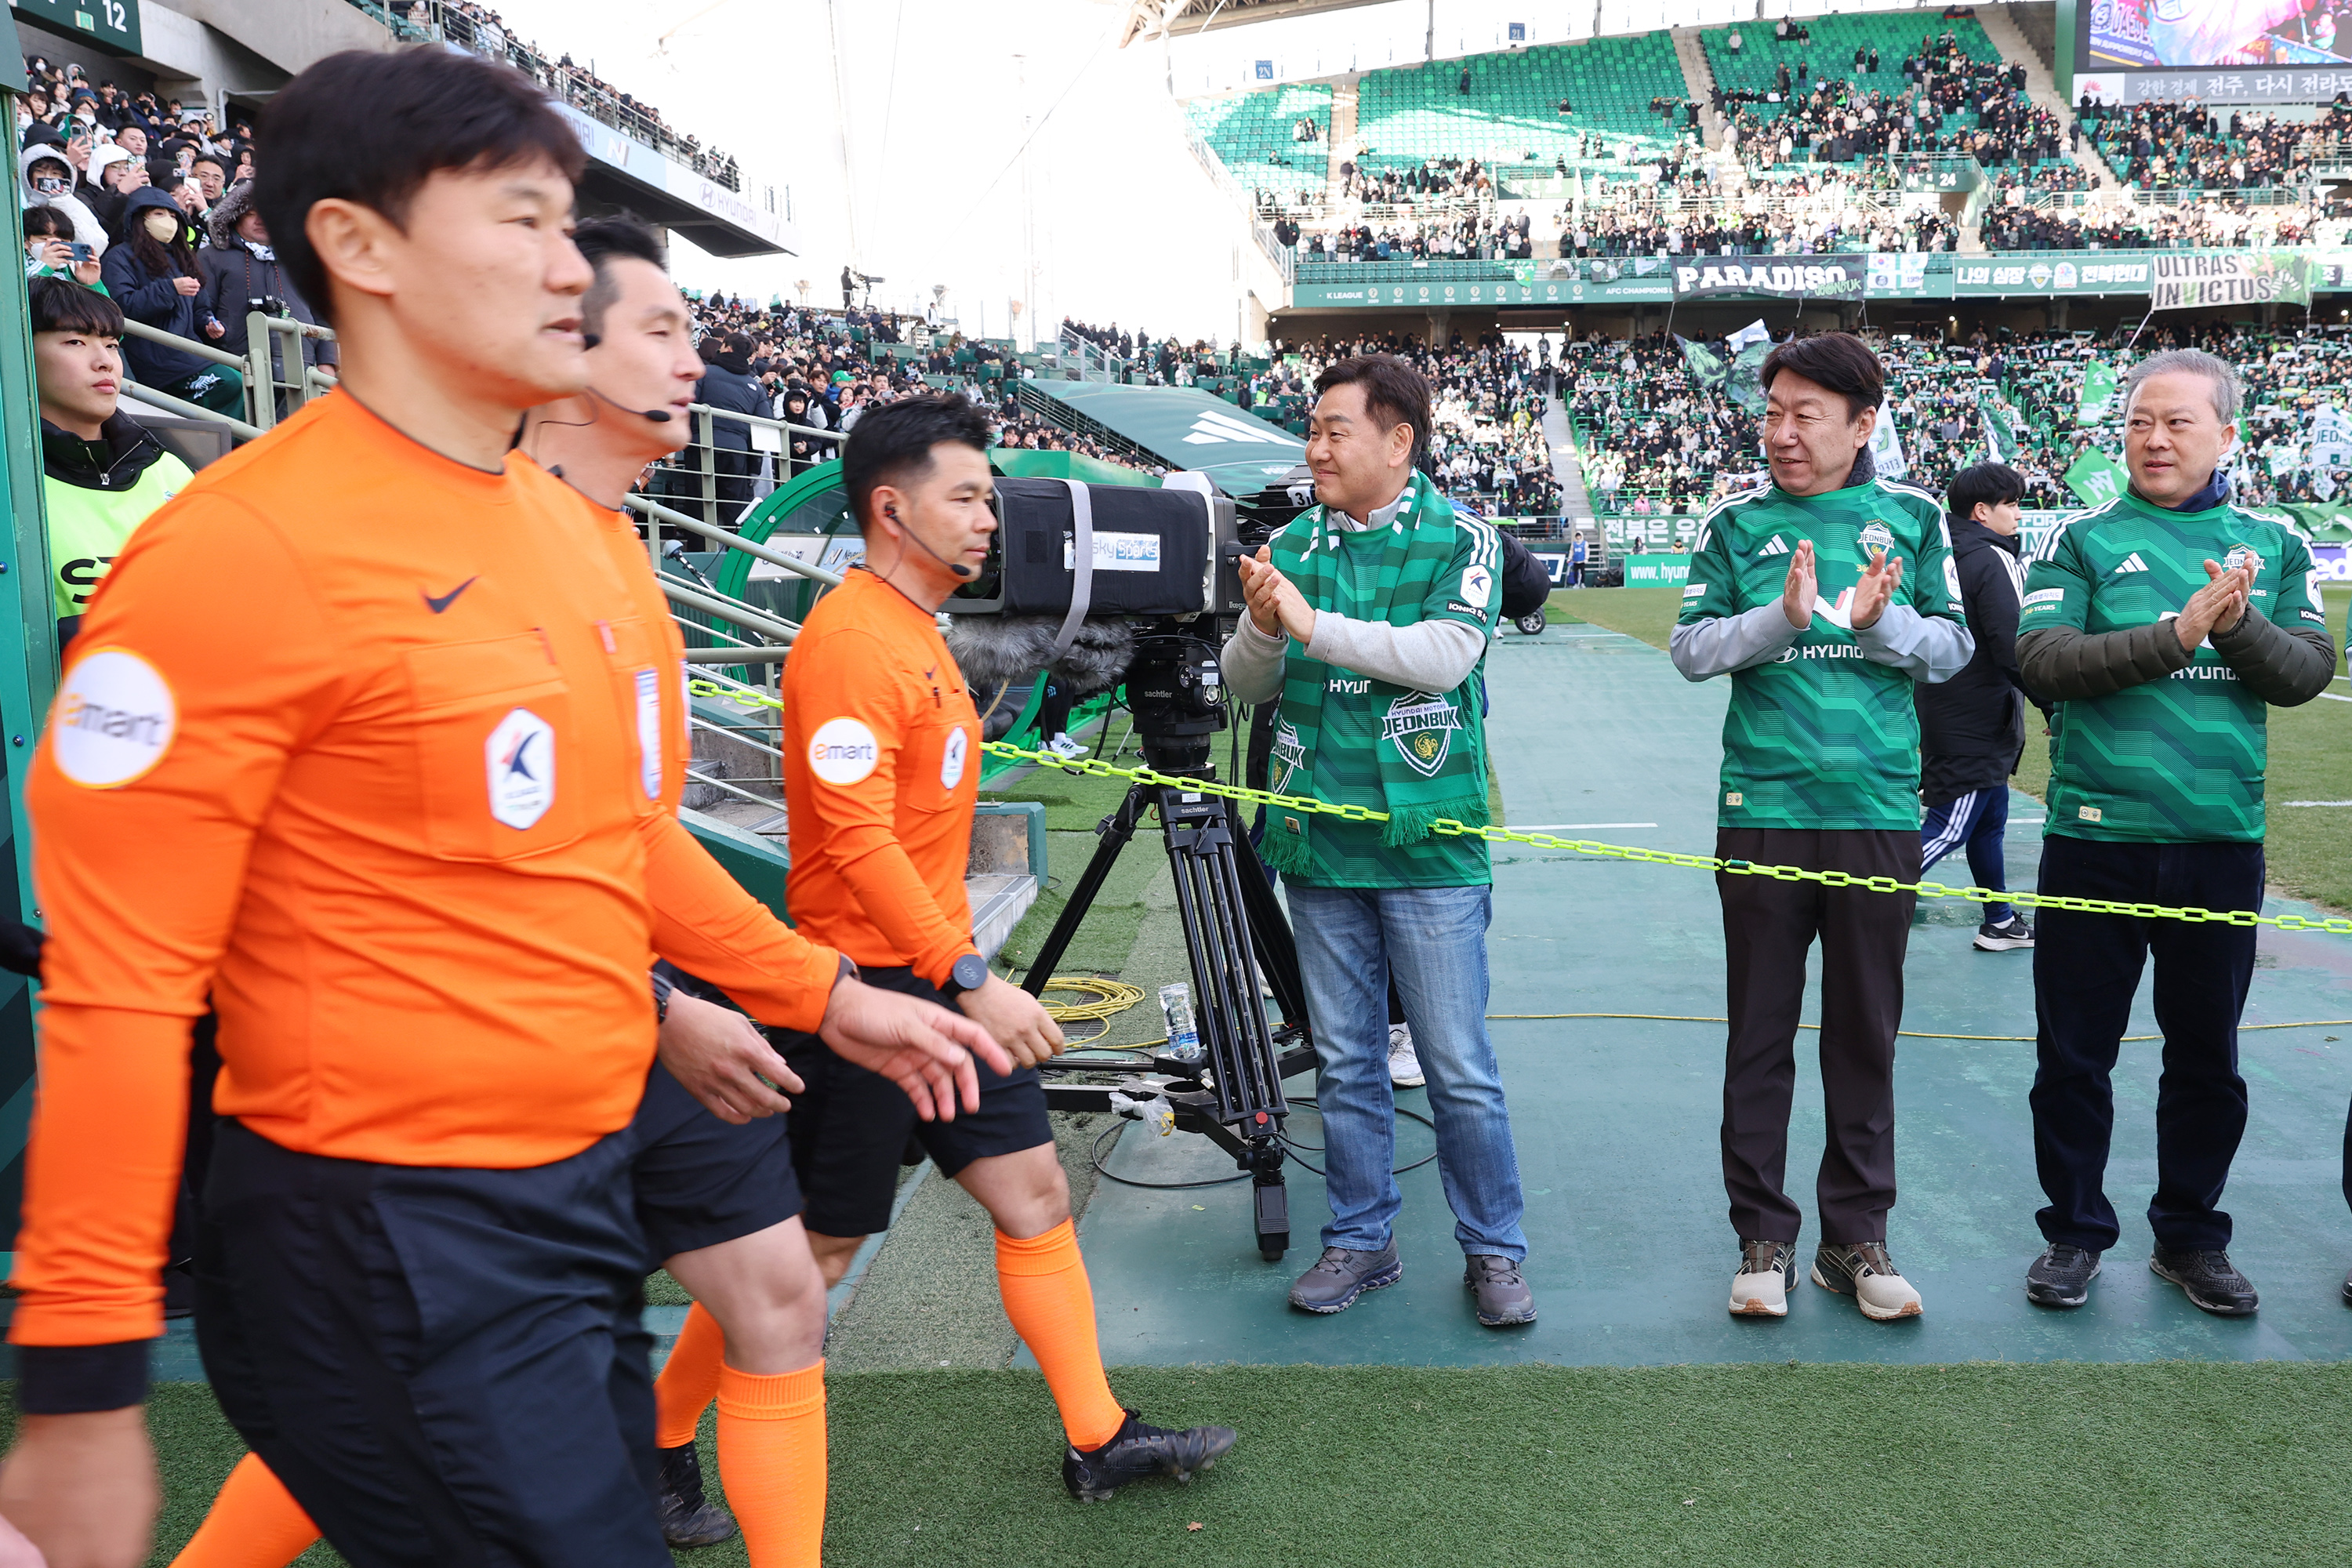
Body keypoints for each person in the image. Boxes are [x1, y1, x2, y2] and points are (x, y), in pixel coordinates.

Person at [0, 49, 1004, 1568]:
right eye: (524, 221)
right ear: (357, 246)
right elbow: (120, 993)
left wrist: (826, 993)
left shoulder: (574, 539)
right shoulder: (232, 558)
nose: (567, 267)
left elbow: (615, 835)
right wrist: (80, 1392)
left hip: (571, 1200)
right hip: (374, 1235)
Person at [773, 391, 1237, 1501]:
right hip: (866, 998)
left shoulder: (919, 634)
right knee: (812, 1263)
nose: (994, 518)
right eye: (970, 497)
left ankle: (1100, 1434)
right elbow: (859, 847)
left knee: (1033, 1194)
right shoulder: (848, 646)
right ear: (892, 510)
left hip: (933, 979)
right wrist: (970, 974)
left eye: (992, 495)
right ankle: (650, 1442)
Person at [1221, 354, 1536, 1329]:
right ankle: (1361, 1238)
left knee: (1458, 1065)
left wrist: (1308, 621)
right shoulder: (1293, 544)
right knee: (1349, 1061)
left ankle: (1494, 1249)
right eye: (1311, 429)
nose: (1315, 446)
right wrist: (1270, 630)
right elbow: (1247, 683)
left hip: (1430, 848)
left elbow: (1446, 655)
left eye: (1334, 428)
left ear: (1399, 439)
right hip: (1320, 843)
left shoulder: (1461, 537)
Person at [2016, 349, 2332, 1316]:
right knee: (2075, 1055)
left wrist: (2234, 626)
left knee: (2208, 1055)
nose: (2154, 438)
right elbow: (2042, 660)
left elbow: (2308, 669)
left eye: (2179, 422)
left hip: (2217, 841)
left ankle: (2191, 1236)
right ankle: (2074, 1233)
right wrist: (2180, 632)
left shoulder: (2271, 543)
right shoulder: (2082, 538)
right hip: (2093, 837)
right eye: (2140, 422)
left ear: (2227, 434)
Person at [1668, 332, 1973, 1323]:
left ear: (1863, 422)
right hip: (1763, 810)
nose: (1784, 434)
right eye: (1773, 413)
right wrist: (1783, 618)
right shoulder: (1734, 520)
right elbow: (1691, 648)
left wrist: (1877, 621)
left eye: (1806, 415)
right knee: (1758, 1032)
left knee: (1863, 1034)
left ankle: (1856, 1239)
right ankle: (1763, 1236)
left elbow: (1955, 648)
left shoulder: (1915, 519)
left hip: (1878, 810)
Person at [29, 276, 194, 649]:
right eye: (75, 342)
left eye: (112, 345)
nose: (104, 362)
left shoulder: (171, 471)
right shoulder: (12, 483)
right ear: (21, 351)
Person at [1917, 462, 2039, 953]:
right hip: (1974, 719)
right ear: (1983, 512)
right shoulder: (1989, 558)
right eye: (2011, 504)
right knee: (1948, 828)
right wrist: (2054, 706)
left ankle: (2001, 921)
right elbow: (2015, 645)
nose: (2018, 514)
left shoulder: (1947, 552)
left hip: (1952, 709)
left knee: (1988, 825)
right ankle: (1863, 900)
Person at [100, 184, 245, 415]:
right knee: (231, 382)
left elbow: (200, 308)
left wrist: (209, 324)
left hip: (190, 353)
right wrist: (169, 289)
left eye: (172, 215)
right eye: (158, 214)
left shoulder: (182, 257)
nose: (167, 221)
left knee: (243, 383)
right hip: (155, 358)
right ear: (139, 219)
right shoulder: (119, 257)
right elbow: (122, 307)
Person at [198, 179, 338, 405]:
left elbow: (324, 314)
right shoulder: (211, 257)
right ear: (235, 216)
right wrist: (210, 326)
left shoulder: (301, 261)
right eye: (252, 213)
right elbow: (200, 309)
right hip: (240, 367)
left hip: (303, 366)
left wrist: (327, 362)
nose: (261, 219)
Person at [21, 204, 107, 292]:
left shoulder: (74, 271)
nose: (56, 246)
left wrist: (91, 285)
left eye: (63, 242)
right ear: (25, 241)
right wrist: (44, 267)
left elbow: (103, 305)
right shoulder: (17, 266)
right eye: (45, 239)